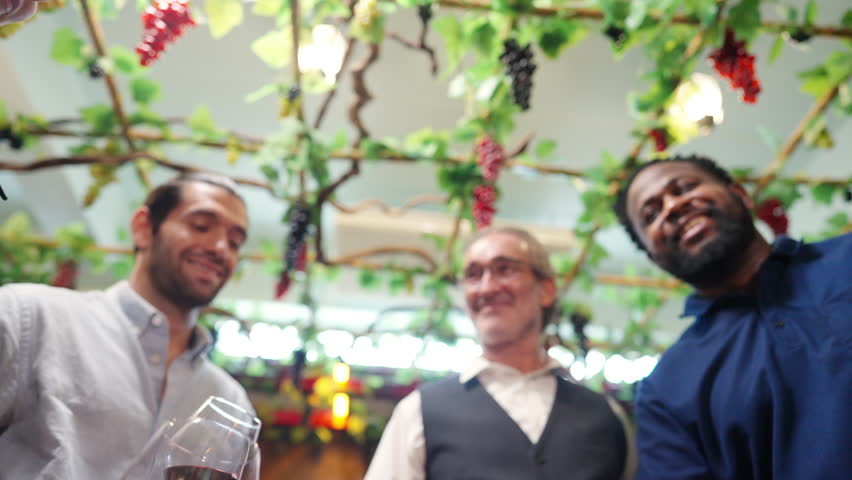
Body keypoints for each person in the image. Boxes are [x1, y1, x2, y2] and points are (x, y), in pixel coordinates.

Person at [0, 172, 257, 478]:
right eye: (200, 226)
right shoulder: (28, 317)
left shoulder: (231, 401)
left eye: (235, 242)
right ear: (143, 228)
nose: (220, 247)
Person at [613, 154, 852, 479]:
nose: (672, 207)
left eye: (684, 188)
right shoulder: (667, 388)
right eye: (651, 214)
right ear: (653, 257)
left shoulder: (846, 260)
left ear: (741, 194)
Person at [364, 227, 636, 480]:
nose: (487, 288)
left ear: (546, 290)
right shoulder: (418, 412)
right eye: (473, 275)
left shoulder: (607, 417)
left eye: (505, 269)